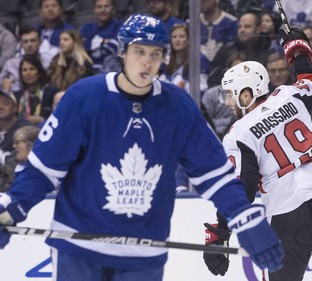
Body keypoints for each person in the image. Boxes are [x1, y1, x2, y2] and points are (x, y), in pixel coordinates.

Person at [0, 13, 284, 280]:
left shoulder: (177, 107)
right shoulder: (84, 98)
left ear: (165, 57)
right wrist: (13, 205)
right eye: (139, 52)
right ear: (122, 52)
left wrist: (245, 218)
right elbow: (43, 168)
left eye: (155, 53)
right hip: (79, 248)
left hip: (144, 252)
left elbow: (215, 174)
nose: (147, 62)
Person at [204, 27, 312, 280]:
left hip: (287, 216)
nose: (227, 102)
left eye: (230, 95)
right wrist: (298, 51)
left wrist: (221, 230)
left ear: (246, 94)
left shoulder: (238, 133)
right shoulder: (289, 95)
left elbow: (243, 189)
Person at [208, 11, 271, 88]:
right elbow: (213, 77)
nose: (242, 30)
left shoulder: (267, 48)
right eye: (240, 27)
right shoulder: (226, 50)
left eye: (247, 26)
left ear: (258, 29)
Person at [161, 23, 210, 96]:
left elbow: (201, 89)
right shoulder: (166, 59)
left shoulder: (199, 59)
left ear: (189, 39)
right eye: (174, 37)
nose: (177, 40)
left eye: (181, 36)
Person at [0, 25, 50, 93]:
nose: (29, 44)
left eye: (33, 41)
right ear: (20, 44)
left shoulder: (48, 63)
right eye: (25, 41)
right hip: (12, 98)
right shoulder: (10, 64)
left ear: (40, 42)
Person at [80, 0, 123, 73]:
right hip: (88, 70)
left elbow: (116, 47)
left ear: (113, 8)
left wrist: (92, 43)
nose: (103, 10)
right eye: (99, 7)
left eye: (106, 6)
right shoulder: (87, 28)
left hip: (112, 70)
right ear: (94, 9)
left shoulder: (120, 26)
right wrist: (103, 41)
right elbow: (80, 47)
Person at [14, 55, 59, 125]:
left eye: (32, 69)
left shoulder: (51, 92)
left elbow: (58, 116)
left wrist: (42, 120)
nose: (28, 73)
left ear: (39, 72)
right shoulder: (16, 96)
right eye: (24, 70)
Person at [36, 0, 75, 65]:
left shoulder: (69, 30)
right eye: (46, 7)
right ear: (40, 12)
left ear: (61, 10)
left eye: (54, 6)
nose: (50, 9)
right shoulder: (35, 30)